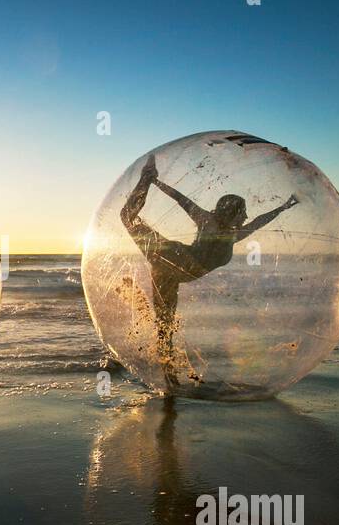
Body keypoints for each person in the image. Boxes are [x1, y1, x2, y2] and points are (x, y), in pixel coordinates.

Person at [121, 154, 297, 391]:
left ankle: (169, 377)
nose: (245, 217)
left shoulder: (234, 235)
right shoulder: (207, 221)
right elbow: (181, 200)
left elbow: (260, 220)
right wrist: (156, 183)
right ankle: (147, 177)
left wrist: (284, 207)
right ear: (231, 212)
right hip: (169, 256)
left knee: (165, 324)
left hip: (171, 273)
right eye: (241, 212)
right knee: (127, 217)